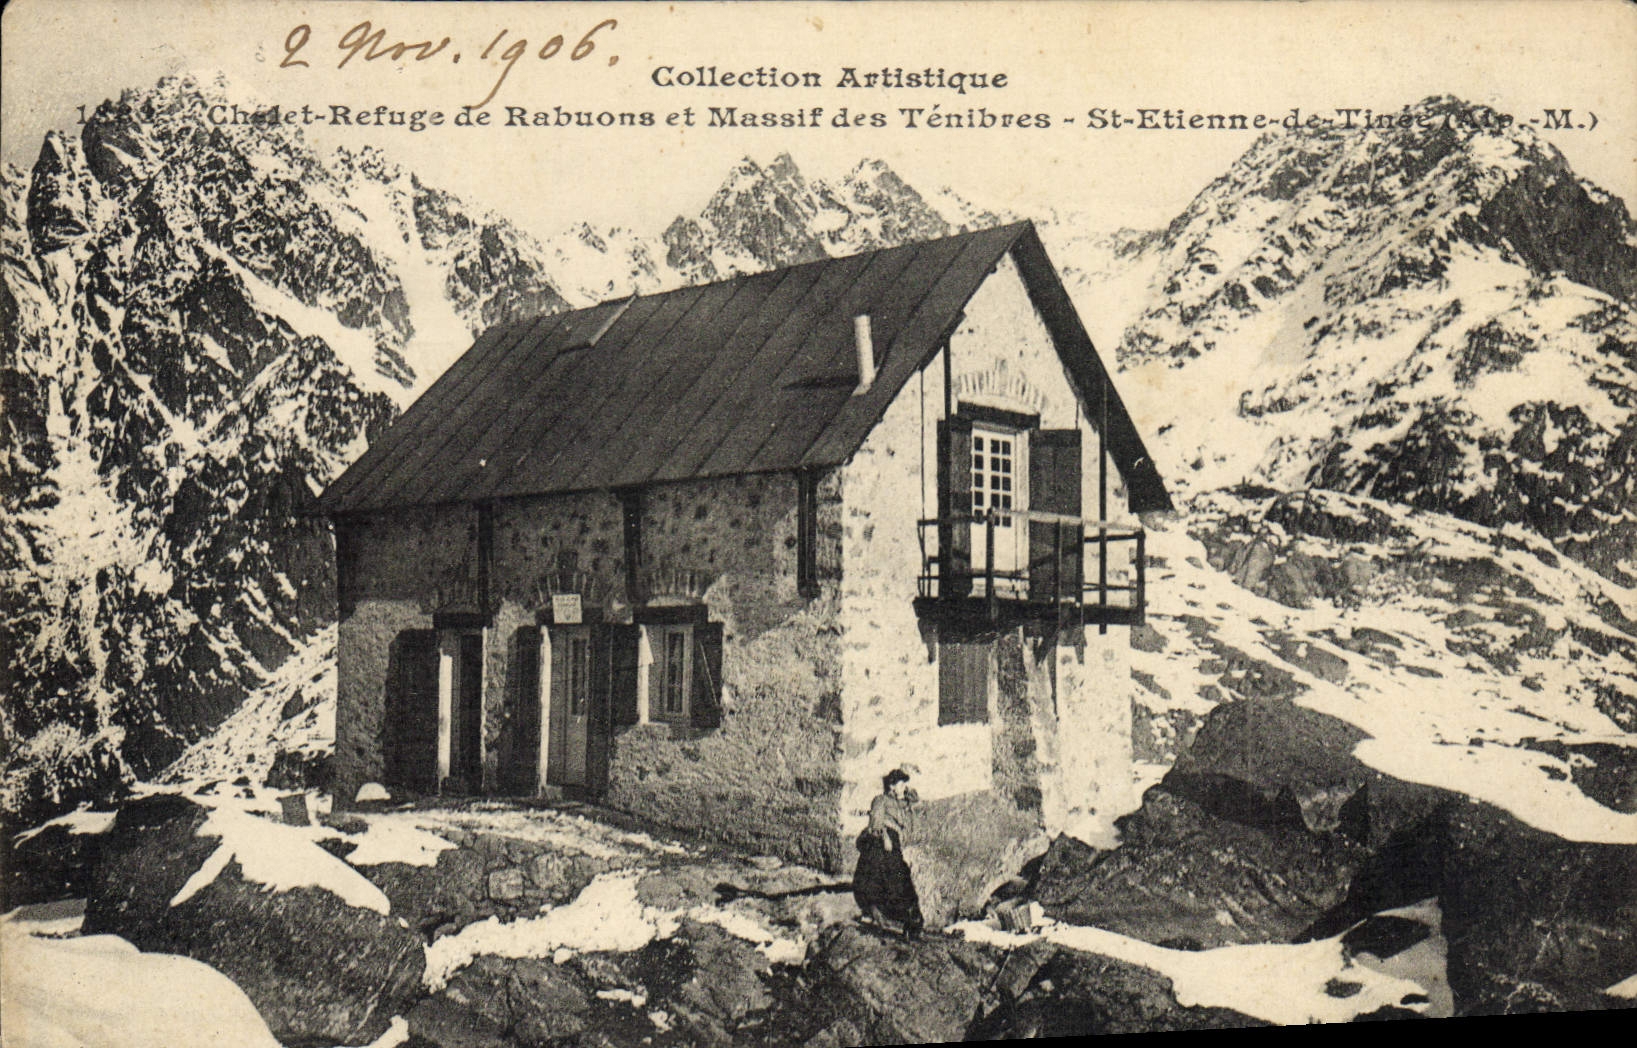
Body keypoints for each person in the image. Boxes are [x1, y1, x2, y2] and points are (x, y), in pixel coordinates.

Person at [853, 768, 924, 938]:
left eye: (905, 784)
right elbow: (876, 824)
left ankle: (907, 922)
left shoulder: (902, 804)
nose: (903, 787)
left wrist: (913, 803)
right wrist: (884, 836)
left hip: (894, 843)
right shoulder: (880, 800)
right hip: (882, 843)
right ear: (892, 785)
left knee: (899, 878)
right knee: (887, 878)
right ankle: (881, 916)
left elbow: (912, 825)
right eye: (901, 784)